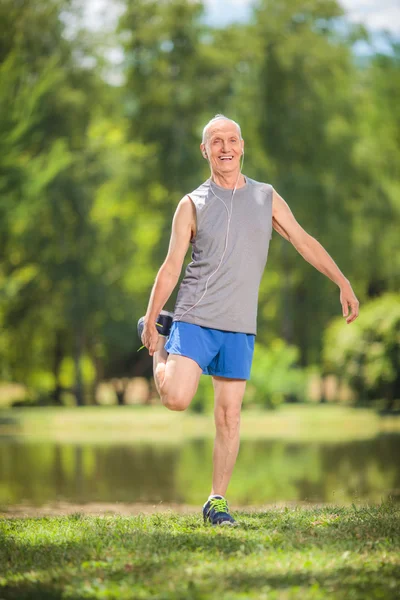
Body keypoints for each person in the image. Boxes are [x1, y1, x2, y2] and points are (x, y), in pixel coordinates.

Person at [137, 114, 359, 526]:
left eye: (232, 139)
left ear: (242, 146)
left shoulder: (266, 197)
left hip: (240, 324)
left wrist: (342, 281)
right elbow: (170, 267)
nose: (225, 147)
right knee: (176, 399)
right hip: (195, 316)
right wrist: (152, 320)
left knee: (230, 416)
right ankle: (161, 344)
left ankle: (216, 501)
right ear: (205, 150)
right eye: (216, 141)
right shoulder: (191, 204)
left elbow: (303, 240)